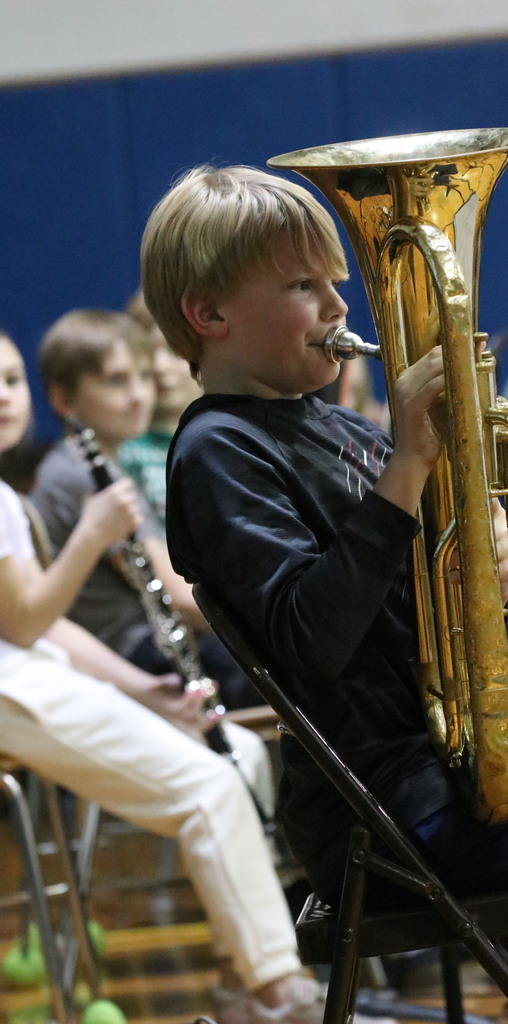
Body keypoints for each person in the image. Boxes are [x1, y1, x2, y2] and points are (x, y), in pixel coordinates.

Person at [141, 163, 508, 915]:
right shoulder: (219, 451)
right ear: (208, 313)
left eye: (334, 282)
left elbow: (417, 596)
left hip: (459, 772)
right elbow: (310, 640)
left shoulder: (336, 426)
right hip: (395, 813)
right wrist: (406, 469)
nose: (337, 306)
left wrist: (481, 564)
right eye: (302, 286)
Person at [0, 327, 339, 1024]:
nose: (4, 398)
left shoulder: (9, 494)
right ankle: (282, 993)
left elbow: (38, 627)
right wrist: (94, 532)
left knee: (241, 751)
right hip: (13, 682)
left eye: (8, 381)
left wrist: (139, 688)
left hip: (29, 667)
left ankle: (241, 978)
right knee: (207, 787)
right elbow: (27, 626)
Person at [30, 308, 259, 710]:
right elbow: (181, 599)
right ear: (64, 399)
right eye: (116, 381)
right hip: (133, 656)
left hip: (139, 649)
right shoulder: (87, 477)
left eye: (144, 377)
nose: (139, 395)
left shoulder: (85, 466)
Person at [118, 290, 202, 529]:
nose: (159, 366)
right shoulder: (122, 449)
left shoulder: (231, 436)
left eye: (174, 350)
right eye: (146, 354)